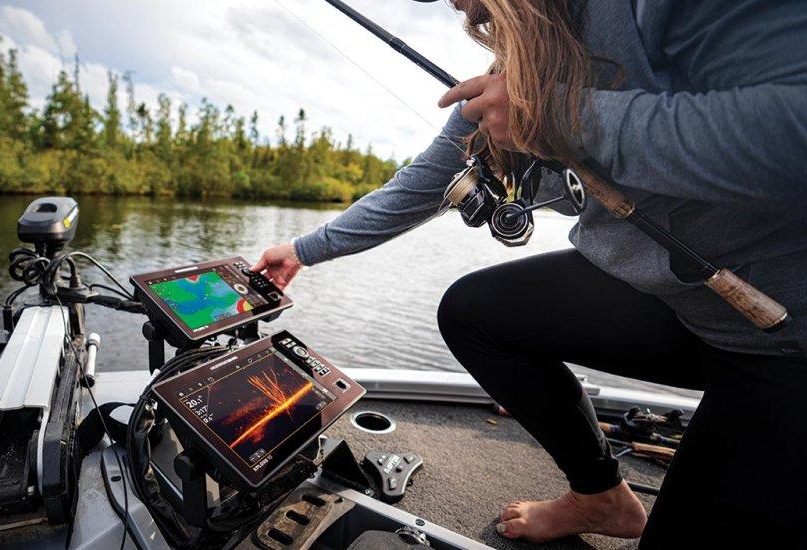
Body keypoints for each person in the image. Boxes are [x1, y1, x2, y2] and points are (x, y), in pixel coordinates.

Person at [253, 0, 807, 547]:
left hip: (784, 340)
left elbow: (792, 131)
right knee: (476, 313)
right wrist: (305, 249)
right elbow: (425, 181)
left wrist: (563, 119)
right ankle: (600, 496)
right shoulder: (516, 70)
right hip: (684, 304)